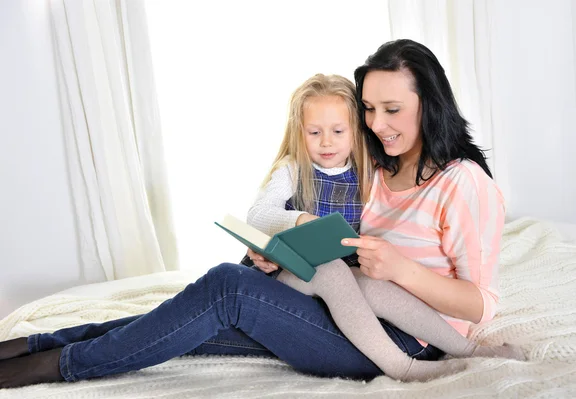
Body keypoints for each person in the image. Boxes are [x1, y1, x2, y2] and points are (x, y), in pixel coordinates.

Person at [0, 39, 523, 389]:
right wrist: (279, 254)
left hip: (404, 335)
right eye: (368, 109)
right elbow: (316, 224)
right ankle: (35, 347)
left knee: (226, 286)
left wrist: (401, 269)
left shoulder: (463, 184)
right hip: (340, 308)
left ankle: (51, 365)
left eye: (392, 110)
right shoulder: (375, 168)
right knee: (187, 316)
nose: (376, 123)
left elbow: (482, 304)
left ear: (429, 104)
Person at [243, 73, 524, 381]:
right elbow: (258, 214)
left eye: (338, 130)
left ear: (355, 132)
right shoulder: (293, 171)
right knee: (333, 271)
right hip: (291, 275)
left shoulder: (366, 172)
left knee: (372, 284)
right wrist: (297, 222)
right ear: (299, 133)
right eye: (314, 132)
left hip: (340, 278)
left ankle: (471, 351)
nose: (326, 142)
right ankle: (402, 366)